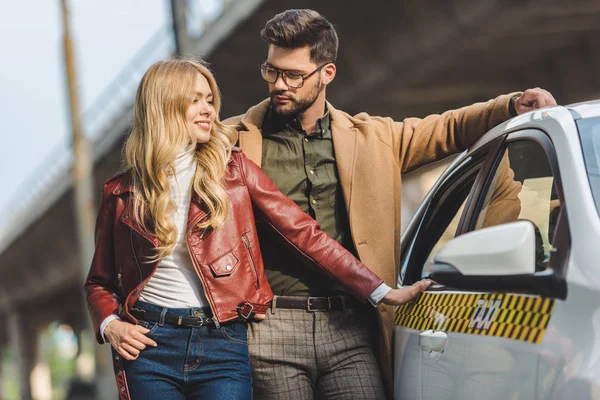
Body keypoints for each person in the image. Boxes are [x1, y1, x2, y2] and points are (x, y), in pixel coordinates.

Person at [223, 9, 557, 400]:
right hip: (271, 326)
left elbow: (447, 128)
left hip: (352, 325)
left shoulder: (373, 138)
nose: (279, 84)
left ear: (326, 73)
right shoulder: (231, 140)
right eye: (272, 71)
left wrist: (510, 105)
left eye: (293, 75)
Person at [83, 58, 429, 400]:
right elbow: (98, 281)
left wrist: (379, 290)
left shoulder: (233, 170)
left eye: (209, 100)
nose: (208, 110)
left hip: (223, 341)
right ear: (163, 106)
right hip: (150, 345)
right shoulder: (121, 192)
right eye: (194, 100)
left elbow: (302, 232)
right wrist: (109, 324)